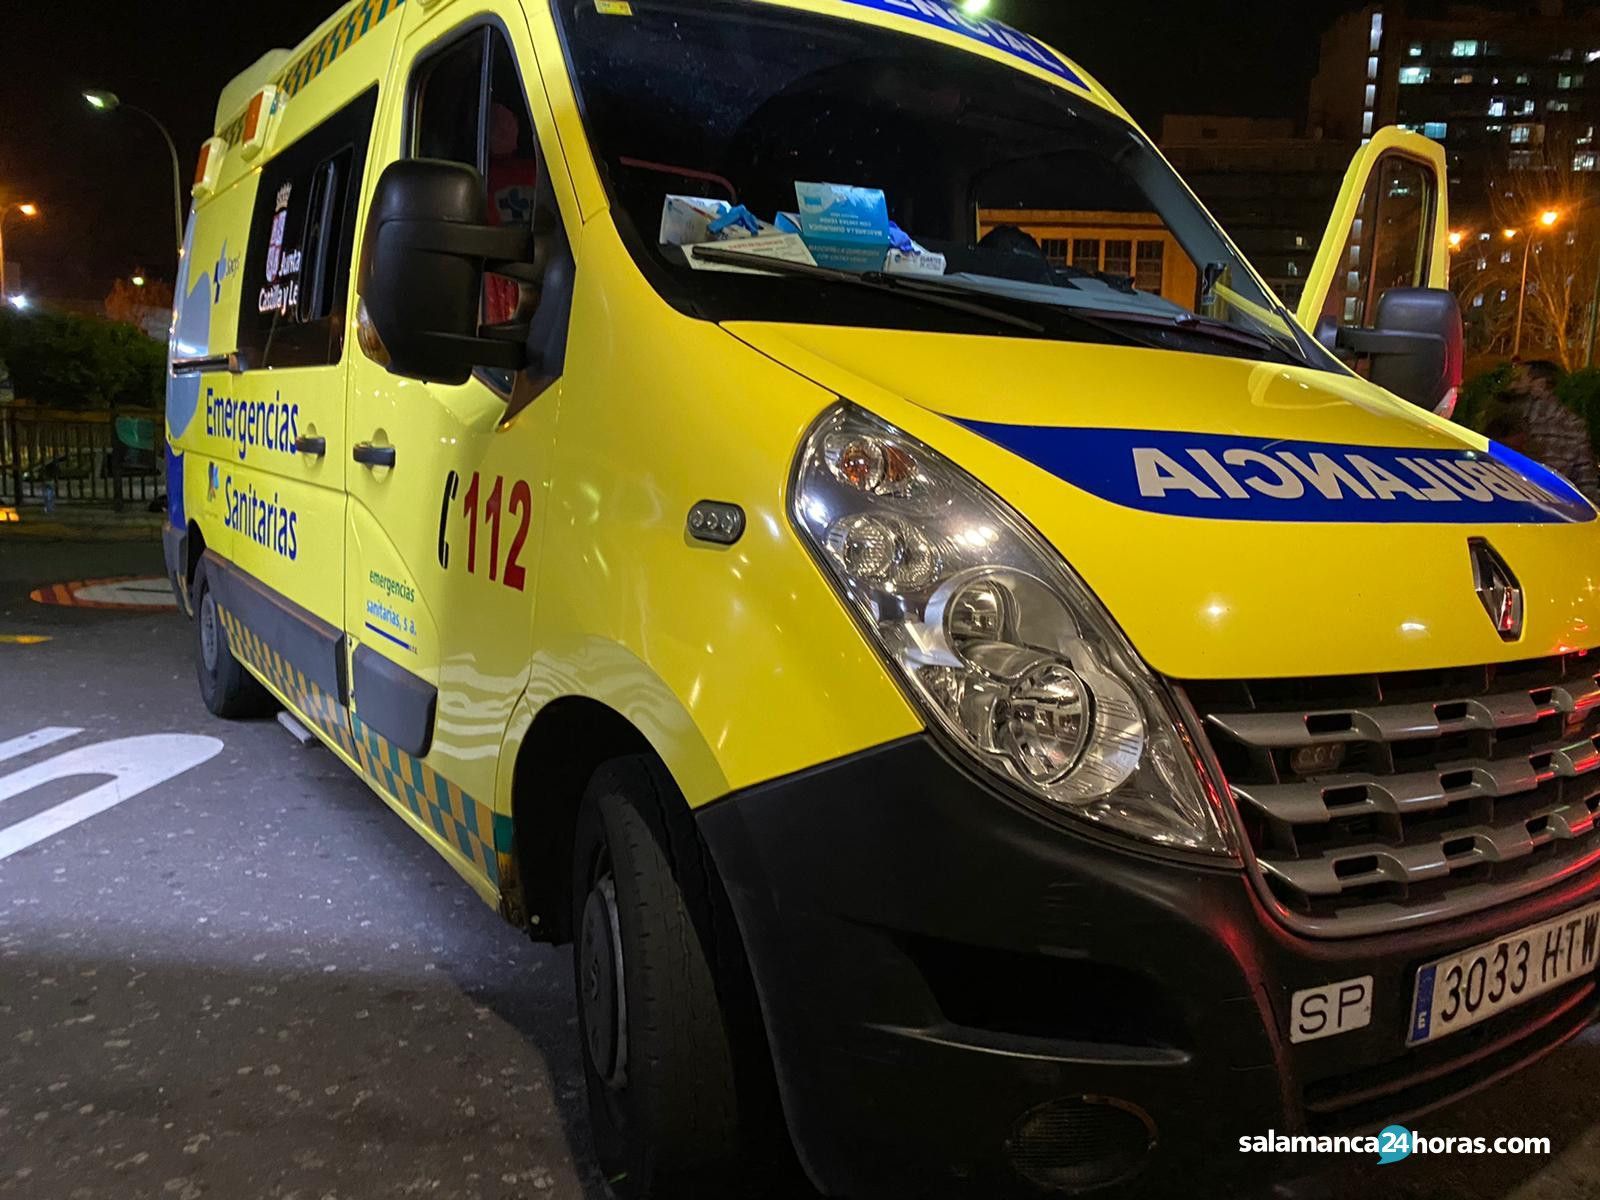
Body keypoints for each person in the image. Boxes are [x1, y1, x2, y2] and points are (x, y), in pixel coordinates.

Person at [1491, 360, 1600, 504]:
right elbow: (1587, 484)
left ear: (1540, 385)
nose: (1513, 385)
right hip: (1554, 512)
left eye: (1519, 380)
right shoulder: (1574, 425)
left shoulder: (1511, 418)